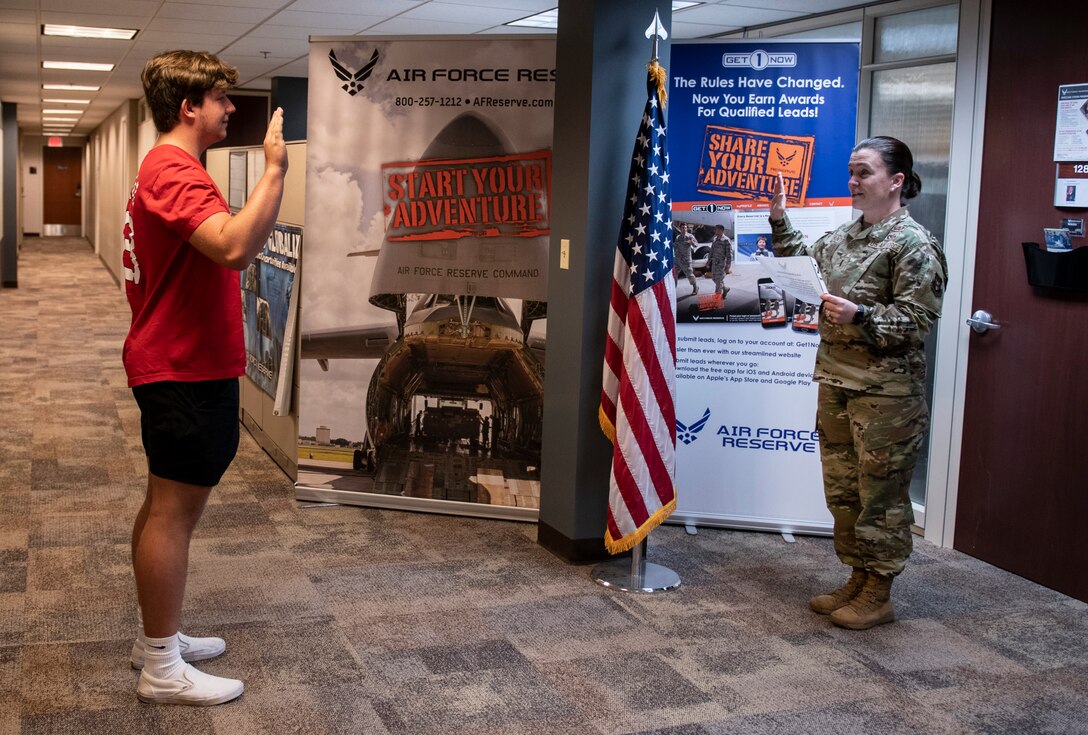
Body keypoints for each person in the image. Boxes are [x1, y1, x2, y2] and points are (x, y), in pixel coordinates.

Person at [122, 50, 287, 705]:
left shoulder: (168, 168)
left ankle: (154, 640)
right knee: (172, 513)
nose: (231, 108)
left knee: (163, 504)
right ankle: (161, 666)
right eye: (221, 97)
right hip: (181, 366)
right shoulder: (171, 169)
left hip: (180, 361)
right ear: (189, 107)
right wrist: (274, 170)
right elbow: (234, 245)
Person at [769, 136, 947, 631]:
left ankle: (880, 591)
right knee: (844, 489)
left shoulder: (913, 244)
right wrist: (780, 219)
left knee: (882, 495)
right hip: (837, 381)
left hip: (886, 395)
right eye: (851, 172)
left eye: (863, 172)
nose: (853, 181)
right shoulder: (846, 237)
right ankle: (858, 575)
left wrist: (861, 314)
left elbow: (918, 321)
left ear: (895, 181)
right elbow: (804, 263)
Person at [708, 224, 733, 296]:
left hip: (721, 264)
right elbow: (711, 251)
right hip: (714, 263)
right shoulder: (715, 239)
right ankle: (725, 288)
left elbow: (729, 255)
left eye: (716, 229)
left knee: (718, 281)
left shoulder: (726, 240)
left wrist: (728, 266)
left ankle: (717, 299)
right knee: (714, 278)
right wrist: (708, 261)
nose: (714, 230)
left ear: (721, 230)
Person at [674, 222, 698, 295]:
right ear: (680, 229)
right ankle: (674, 288)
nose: (684, 229)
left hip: (686, 259)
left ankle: (695, 287)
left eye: (685, 228)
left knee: (689, 274)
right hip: (678, 259)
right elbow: (675, 247)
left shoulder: (690, 236)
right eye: (683, 228)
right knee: (675, 274)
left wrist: (692, 243)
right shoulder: (678, 237)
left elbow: (696, 244)